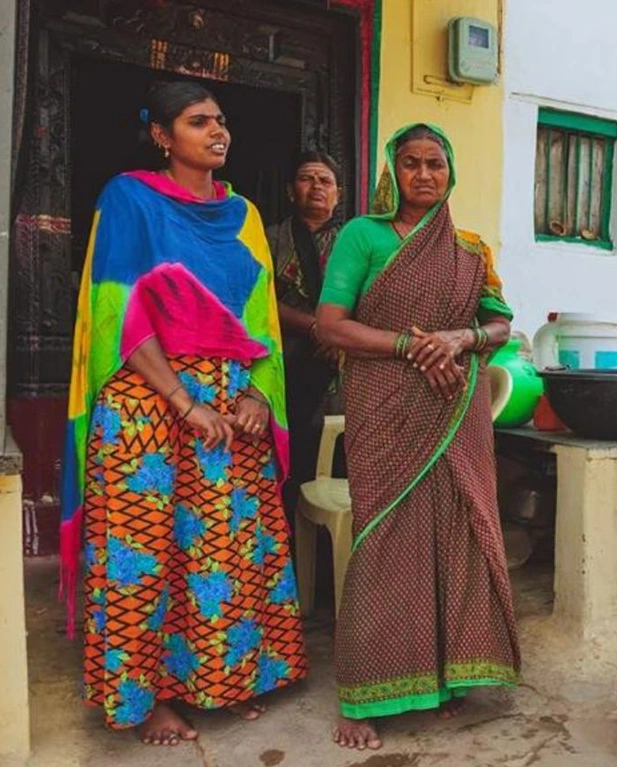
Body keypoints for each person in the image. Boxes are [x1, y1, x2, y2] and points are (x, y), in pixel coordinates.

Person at [62, 81, 307, 746]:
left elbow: (261, 319)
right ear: (163, 136)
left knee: (224, 551)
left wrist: (258, 391)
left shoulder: (245, 214)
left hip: (230, 403)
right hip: (148, 397)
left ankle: (221, 682)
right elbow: (117, 311)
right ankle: (151, 701)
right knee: (145, 550)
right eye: (198, 121)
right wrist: (181, 399)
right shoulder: (129, 198)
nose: (217, 131)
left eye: (221, 120)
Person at [315, 123, 521, 750]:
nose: (424, 175)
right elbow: (331, 327)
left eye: (436, 163)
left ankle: (440, 679)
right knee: (385, 538)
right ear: (392, 172)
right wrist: (410, 345)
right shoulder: (362, 235)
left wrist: (460, 338)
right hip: (386, 407)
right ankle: (363, 695)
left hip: (455, 406)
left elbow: (501, 322)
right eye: (411, 163)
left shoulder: (468, 247)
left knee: (457, 533)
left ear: (450, 172)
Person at [265, 151, 344, 517]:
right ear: (289, 191)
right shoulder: (268, 239)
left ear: (338, 194)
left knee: (337, 468)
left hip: (341, 370)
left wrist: (343, 337)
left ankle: (331, 566)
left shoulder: (355, 242)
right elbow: (258, 301)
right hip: (286, 369)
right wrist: (316, 327)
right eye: (306, 178)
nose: (316, 187)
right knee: (286, 467)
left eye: (325, 180)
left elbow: (374, 300)